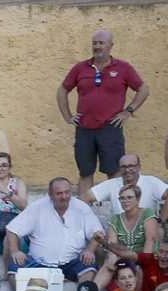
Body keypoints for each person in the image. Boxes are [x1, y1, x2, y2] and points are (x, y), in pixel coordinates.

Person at [59, 30, 149, 200]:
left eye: (101, 43)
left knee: (115, 173)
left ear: (111, 46)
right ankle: (85, 218)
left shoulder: (123, 68)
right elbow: (63, 90)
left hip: (110, 128)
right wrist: (68, 116)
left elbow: (143, 89)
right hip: (84, 128)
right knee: (85, 173)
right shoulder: (80, 68)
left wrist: (128, 111)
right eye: (94, 43)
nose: (97, 47)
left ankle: (118, 216)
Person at [5, 178, 103, 281]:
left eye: (67, 192)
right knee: (15, 266)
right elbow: (12, 229)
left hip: (72, 263)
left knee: (89, 264)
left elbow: (98, 232)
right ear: (50, 195)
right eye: (59, 193)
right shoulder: (37, 207)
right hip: (39, 265)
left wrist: (89, 250)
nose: (64, 197)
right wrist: (15, 251)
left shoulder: (81, 208)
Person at [96, 185, 160, 291]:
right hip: (123, 258)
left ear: (138, 199)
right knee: (108, 265)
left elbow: (150, 241)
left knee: (140, 272)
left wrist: (142, 263)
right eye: (122, 198)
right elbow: (111, 245)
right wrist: (111, 260)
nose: (125, 201)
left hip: (145, 258)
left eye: (129, 197)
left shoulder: (147, 214)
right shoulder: (115, 219)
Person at [85, 153, 166, 217]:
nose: (127, 170)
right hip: (119, 232)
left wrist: (161, 223)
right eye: (123, 167)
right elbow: (85, 198)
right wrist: (93, 225)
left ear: (139, 167)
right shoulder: (112, 184)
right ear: (119, 169)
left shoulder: (151, 182)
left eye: (131, 166)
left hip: (147, 231)